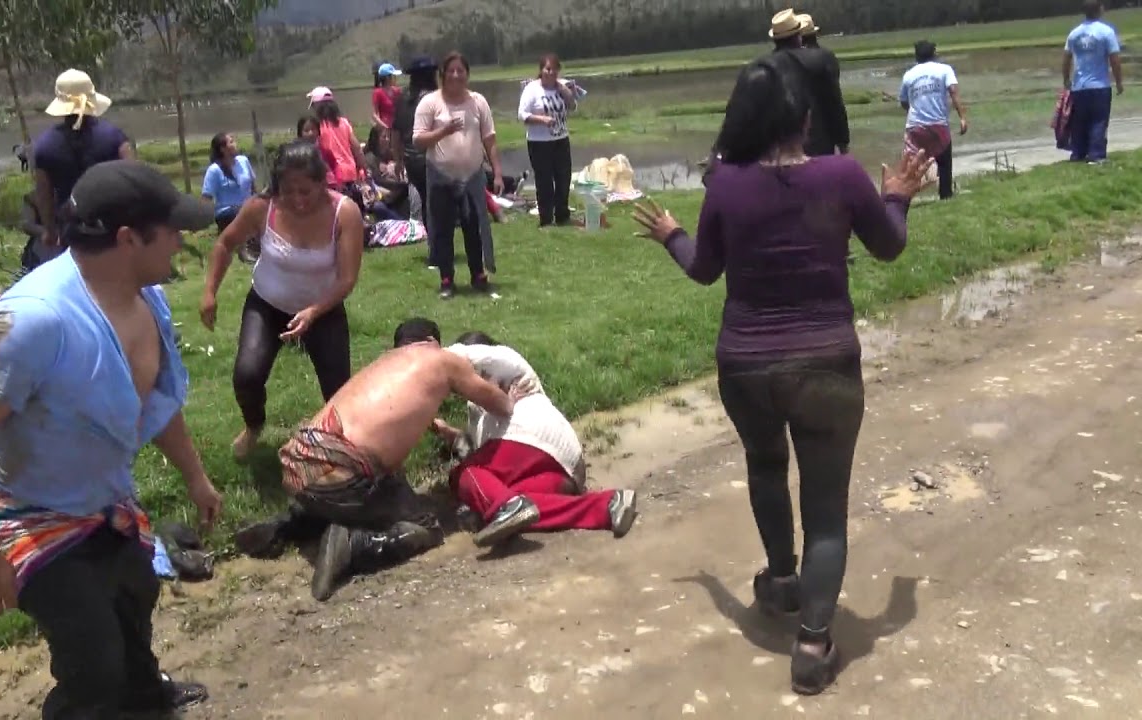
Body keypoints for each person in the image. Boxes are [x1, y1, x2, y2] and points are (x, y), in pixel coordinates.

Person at [631, 52, 934, 696]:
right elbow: (890, 246)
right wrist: (898, 198)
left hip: (745, 366)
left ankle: (781, 580)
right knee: (826, 511)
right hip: (826, 362)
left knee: (766, 467)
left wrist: (670, 234)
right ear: (804, 115)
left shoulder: (725, 184)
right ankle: (815, 642)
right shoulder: (843, 175)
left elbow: (703, 270)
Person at [0, 160, 220, 719]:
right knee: (93, 663)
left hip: (104, 498)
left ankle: (144, 695)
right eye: (173, 230)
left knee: (136, 592)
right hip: (29, 512)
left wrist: (196, 477)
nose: (183, 242)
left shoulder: (143, 296)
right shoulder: (36, 321)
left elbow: (155, 403)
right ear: (129, 239)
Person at [278, 317, 524, 601]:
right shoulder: (442, 360)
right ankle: (356, 543)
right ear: (433, 342)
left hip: (295, 465)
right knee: (426, 527)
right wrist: (512, 397)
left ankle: (295, 522)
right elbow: (500, 405)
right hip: (340, 477)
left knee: (381, 484)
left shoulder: (383, 365)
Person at [201, 140, 364, 461]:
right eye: (288, 191)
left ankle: (336, 445)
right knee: (247, 374)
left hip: (323, 309)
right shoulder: (262, 207)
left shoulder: (344, 213)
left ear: (322, 182)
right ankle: (253, 426)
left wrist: (314, 312)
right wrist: (209, 292)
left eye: (306, 191)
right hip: (267, 304)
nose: (297, 200)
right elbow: (225, 244)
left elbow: (347, 279)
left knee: (338, 389)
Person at [432, 331, 638, 547]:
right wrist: (448, 432)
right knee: (520, 508)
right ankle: (607, 505)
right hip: (562, 465)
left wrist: (418, 363)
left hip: (528, 439)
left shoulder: (505, 359)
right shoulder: (477, 406)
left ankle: (506, 506)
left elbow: (450, 358)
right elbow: (481, 455)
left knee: (462, 474)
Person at [414, 51, 504, 299]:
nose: (456, 75)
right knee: (441, 229)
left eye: (460, 71)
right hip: (440, 175)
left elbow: (490, 139)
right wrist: (442, 132)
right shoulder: (430, 103)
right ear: (443, 74)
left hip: (473, 175)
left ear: (467, 74)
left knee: (474, 226)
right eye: (451, 71)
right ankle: (446, 279)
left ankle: (478, 274)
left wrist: (497, 172)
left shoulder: (478, 102)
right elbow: (418, 140)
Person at [32, 69, 134, 267]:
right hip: (113, 228)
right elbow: (133, 178)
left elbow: (43, 195)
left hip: (72, 233)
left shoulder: (45, 146)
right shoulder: (115, 137)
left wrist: (50, 231)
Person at [768, 9, 850, 157]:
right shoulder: (823, 59)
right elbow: (834, 102)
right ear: (798, 37)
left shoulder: (767, 65)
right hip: (820, 138)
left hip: (783, 144)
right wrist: (843, 141)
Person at [900, 41, 968, 200]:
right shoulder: (945, 70)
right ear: (934, 54)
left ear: (916, 55)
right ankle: (945, 195)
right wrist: (962, 118)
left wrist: (915, 109)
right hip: (938, 125)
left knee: (912, 165)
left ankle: (902, 196)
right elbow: (954, 92)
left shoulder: (909, 75)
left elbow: (903, 102)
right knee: (944, 161)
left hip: (915, 127)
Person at [518, 54, 579, 228]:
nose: (550, 73)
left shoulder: (561, 86)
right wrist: (542, 120)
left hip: (561, 139)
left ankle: (562, 215)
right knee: (544, 181)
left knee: (563, 178)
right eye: (547, 69)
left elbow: (573, 107)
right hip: (539, 143)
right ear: (541, 70)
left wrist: (566, 92)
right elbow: (522, 114)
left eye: (554, 69)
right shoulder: (532, 89)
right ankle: (546, 219)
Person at [1063, 0, 1124, 164]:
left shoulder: (1074, 33)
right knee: (1099, 120)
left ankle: (1078, 153)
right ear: (1100, 10)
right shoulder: (1106, 32)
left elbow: (1066, 58)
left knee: (1079, 122)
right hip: (1100, 85)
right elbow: (1115, 59)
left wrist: (1066, 79)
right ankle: (1096, 155)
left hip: (1079, 86)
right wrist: (1119, 82)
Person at [392, 56, 439, 243]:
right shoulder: (434, 98)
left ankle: (434, 243)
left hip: (412, 162)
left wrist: (398, 160)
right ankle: (438, 246)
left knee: (428, 202)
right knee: (437, 203)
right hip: (433, 157)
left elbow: (395, 132)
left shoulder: (402, 99)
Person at [307, 87, 368, 208]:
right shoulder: (344, 122)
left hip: (332, 177)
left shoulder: (317, 127)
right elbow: (357, 148)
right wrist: (363, 170)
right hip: (350, 173)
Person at [202, 133, 259, 262]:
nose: (235, 144)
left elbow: (253, 187)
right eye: (231, 142)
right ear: (223, 148)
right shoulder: (214, 170)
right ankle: (243, 251)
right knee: (242, 212)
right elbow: (206, 197)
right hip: (227, 212)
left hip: (248, 207)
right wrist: (202, 219)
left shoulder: (243, 161)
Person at [371, 62, 403, 132]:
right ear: (388, 78)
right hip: (385, 127)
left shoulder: (397, 91)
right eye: (393, 76)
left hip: (397, 126)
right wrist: (385, 127)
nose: (395, 78)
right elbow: (375, 114)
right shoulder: (378, 93)